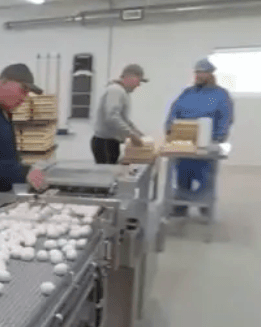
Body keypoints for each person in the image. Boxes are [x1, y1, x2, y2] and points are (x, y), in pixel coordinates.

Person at [0, 63, 47, 212]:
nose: (24, 98)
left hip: (0, 198)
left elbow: (0, 155)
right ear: (2, 83)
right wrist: (24, 172)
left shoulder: (2, 113)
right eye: (23, 90)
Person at [164, 58, 234, 215]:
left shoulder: (220, 95)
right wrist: (169, 129)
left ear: (210, 74)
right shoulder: (187, 93)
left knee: (206, 178)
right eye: (197, 72)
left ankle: (205, 206)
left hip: (206, 147)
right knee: (183, 177)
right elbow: (174, 112)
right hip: (184, 146)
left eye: (202, 72)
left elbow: (225, 118)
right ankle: (180, 206)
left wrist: (218, 140)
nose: (198, 76)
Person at [91, 64, 147, 164]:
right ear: (130, 77)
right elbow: (112, 117)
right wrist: (131, 134)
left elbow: (123, 118)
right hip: (105, 143)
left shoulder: (122, 92)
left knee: (112, 174)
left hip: (111, 143)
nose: (138, 85)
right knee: (107, 176)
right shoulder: (115, 91)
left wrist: (137, 133)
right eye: (139, 81)